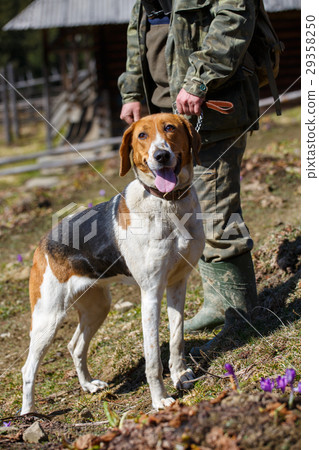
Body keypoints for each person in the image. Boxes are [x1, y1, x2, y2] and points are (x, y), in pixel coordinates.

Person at [118, 0, 260, 349]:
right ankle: (217, 304)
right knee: (189, 217)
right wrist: (133, 91)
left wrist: (199, 80)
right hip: (161, 114)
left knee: (216, 214)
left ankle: (239, 314)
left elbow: (234, 17)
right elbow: (140, 34)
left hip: (209, 107)